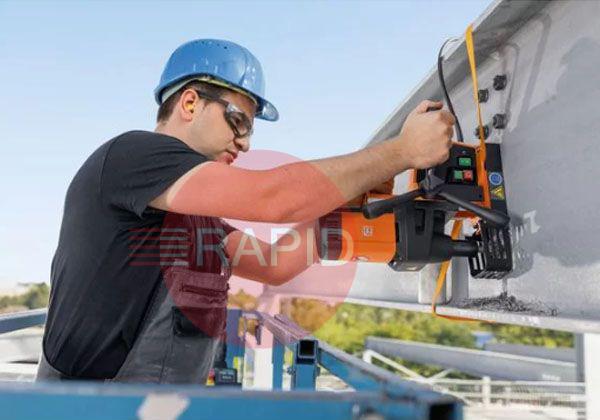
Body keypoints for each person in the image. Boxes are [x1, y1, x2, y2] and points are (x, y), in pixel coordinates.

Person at [36, 39, 454, 383]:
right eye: (238, 122)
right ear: (189, 103)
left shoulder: (192, 219)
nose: (246, 143)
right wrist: (400, 152)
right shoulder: (133, 156)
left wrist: (344, 206)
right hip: (84, 404)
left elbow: (274, 263)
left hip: (156, 405)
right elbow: (273, 199)